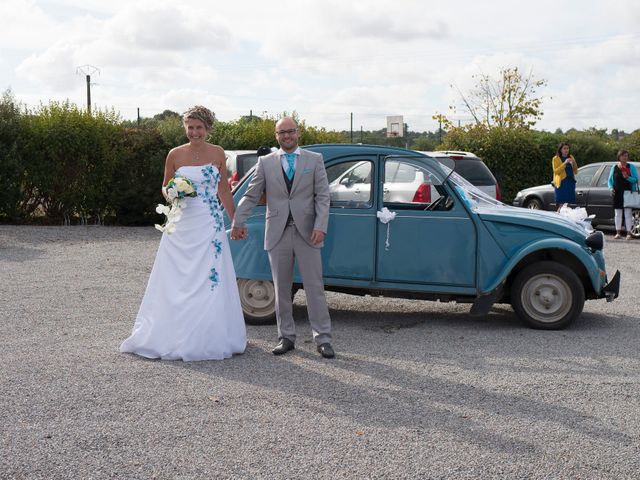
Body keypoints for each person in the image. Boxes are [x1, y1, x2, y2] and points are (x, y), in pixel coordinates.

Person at [120, 105, 246, 361]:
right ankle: (171, 331)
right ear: (185, 128)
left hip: (209, 224)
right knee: (177, 275)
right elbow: (165, 187)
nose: (194, 132)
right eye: (190, 127)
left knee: (209, 277)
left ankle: (209, 334)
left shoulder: (218, 153)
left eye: (199, 127)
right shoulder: (175, 154)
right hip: (182, 224)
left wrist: (236, 220)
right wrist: (173, 191)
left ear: (208, 129)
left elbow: (223, 191)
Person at [230, 117, 334, 358]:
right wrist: (238, 220)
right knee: (281, 288)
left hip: (308, 232)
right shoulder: (265, 162)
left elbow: (323, 197)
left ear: (298, 133)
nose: (287, 136)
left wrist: (321, 225)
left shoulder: (314, 160)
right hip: (277, 232)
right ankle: (286, 337)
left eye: (290, 132)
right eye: (281, 133)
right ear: (276, 136)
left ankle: (323, 339)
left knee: (314, 287)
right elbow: (252, 194)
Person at [607, 149, 638, 240]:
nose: (625, 157)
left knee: (628, 213)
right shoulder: (614, 167)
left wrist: (627, 177)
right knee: (617, 213)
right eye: (623, 156)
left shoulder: (631, 166)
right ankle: (618, 233)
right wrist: (611, 188)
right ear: (619, 157)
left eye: (626, 156)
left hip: (628, 192)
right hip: (617, 192)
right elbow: (609, 180)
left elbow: (636, 179)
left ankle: (629, 233)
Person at [552, 141, 578, 211]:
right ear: (560, 149)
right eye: (564, 148)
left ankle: (566, 220)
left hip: (570, 183)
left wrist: (574, 163)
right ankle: (558, 219)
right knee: (561, 205)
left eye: (567, 148)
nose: (566, 150)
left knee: (569, 205)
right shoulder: (555, 158)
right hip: (561, 184)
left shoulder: (571, 157)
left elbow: (576, 171)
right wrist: (565, 163)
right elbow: (556, 171)